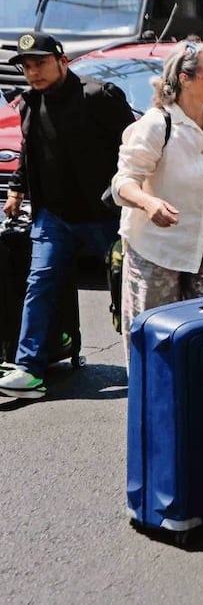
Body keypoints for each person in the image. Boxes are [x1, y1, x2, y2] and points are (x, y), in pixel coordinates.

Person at [0, 33, 134, 398]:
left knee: (131, 290)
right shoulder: (28, 103)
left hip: (107, 215)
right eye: (27, 66)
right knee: (39, 284)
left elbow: (136, 148)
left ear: (62, 61)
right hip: (54, 217)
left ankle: (146, 362)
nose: (33, 72)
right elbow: (31, 152)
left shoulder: (98, 96)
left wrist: (131, 195)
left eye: (40, 63)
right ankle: (29, 369)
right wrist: (17, 189)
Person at [111, 43, 203, 338]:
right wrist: (149, 203)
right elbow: (123, 183)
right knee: (153, 335)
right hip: (158, 250)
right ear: (185, 79)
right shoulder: (157, 123)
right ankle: (149, 386)